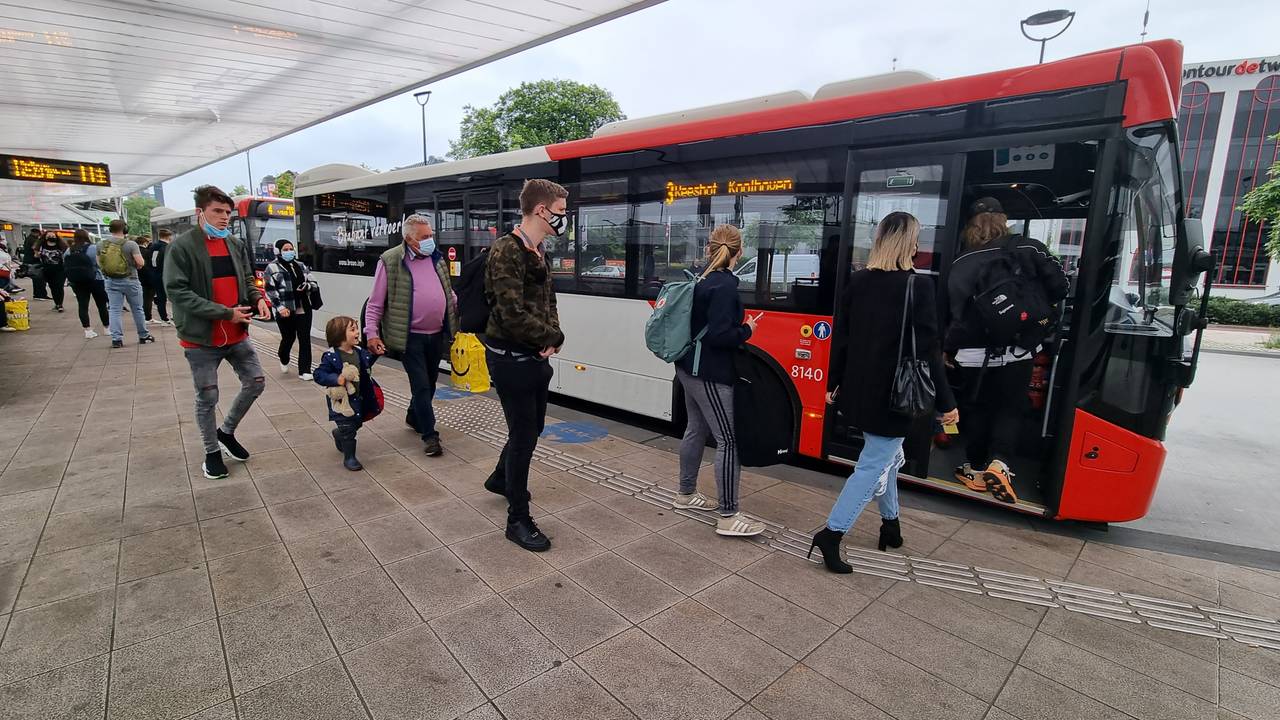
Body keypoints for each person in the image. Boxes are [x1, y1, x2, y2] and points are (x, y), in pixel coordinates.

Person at [811, 212, 958, 573]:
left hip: (860, 390)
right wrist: (947, 403)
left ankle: (891, 525)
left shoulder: (858, 281)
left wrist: (834, 383)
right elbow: (928, 350)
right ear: (910, 243)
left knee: (887, 456)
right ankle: (831, 534)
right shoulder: (918, 286)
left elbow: (842, 339)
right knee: (873, 465)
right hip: (895, 395)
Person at [944, 197, 1069, 504]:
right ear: (1003, 219)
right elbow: (1061, 286)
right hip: (1018, 349)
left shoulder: (959, 262)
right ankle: (1000, 463)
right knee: (1010, 408)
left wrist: (946, 349)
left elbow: (953, 311)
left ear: (971, 226)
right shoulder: (1028, 247)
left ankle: (974, 468)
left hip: (971, 354)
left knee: (977, 409)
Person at [480, 179, 568, 552]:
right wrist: (551, 337)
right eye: (561, 212)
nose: (564, 219)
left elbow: (548, 299)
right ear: (540, 210)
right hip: (509, 360)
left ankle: (502, 478)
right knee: (523, 436)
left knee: (531, 429)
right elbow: (509, 312)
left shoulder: (538, 250)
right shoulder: (507, 250)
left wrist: (553, 334)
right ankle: (517, 519)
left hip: (533, 356)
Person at [164, 185, 271, 480]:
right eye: (218, 212)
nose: (225, 217)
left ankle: (226, 432)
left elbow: (247, 280)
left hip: (236, 333)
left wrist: (259, 299)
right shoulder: (182, 247)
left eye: (228, 212)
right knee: (207, 397)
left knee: (256, 382)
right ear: (201, 212)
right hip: (201, 339)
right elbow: (178, 292)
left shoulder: (234, 245)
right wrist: (225, 312)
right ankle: (211, 452)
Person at [668, 224, 766, 537]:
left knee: (695, 428)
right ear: (739, 252)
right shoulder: (724, 286)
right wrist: (748, 329)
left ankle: (685, 494)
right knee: (727, 440)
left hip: (687, 368)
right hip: (710, 372)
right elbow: (721, 336)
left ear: (710, 248)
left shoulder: (703, 278)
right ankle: (728, 515)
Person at [363, 214, 457, 457]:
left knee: (431, 383)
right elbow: (375, 303)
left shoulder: (436, 258)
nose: (430, 241)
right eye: (425, 237)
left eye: (431, 236)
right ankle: (430, 436)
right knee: (422, 386)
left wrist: (456, 314)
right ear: (410, 239)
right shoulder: (391, 260)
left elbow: (448, 293)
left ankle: (414, 416)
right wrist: (371, 333)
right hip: (409, 337)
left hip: (436, 334)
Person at [314, 316, 377, 471]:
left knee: (357, 422)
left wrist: (376, 354)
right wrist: (336, 378)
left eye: (356, 328)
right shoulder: (331, 356)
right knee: (349, 429)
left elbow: (366, 364)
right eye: (353, 329)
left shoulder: (359, 351)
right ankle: (350, 457)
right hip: (342, 402)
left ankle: (338, 433)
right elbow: (319, 374)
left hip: (360, 397)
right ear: (339, 335)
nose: (357, 332)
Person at [264, 239, 318, 380]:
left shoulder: (301, 265)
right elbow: (270, 290)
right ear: (278, 252)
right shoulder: (272, 268)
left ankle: (305, 370)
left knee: (304, 338)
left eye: (290, 249)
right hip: (285, 309)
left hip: (303, 307)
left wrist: (307, 286)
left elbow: (313, 282)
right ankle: (283, 357)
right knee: (288, 338)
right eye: (285, 249)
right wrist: (280, 307)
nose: (289, 252)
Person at [98, 221, 154, 348]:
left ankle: (116, 339)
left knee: (114, 310)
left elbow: (99, 263)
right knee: (137, 309)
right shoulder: (130, 244)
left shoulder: (101, 244)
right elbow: (140, 263)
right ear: (125, 229)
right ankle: (143, 335)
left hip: (111, 281)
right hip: (131, 279)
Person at [64, 229, 110, 339]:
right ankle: (106, 328)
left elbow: (65, 263)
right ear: (86, 237)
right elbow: (100, 263)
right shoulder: (93, 248)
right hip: (96, 279)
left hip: (77, 281)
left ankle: (87, 330)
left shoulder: (69, 250)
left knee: (83, 305)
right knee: (101, 305)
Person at [140, 233, 170, 325]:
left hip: (152, 274)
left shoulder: (153, 247)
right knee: (163, 298)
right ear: (168, 237)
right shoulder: (166, 247)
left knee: (151, 297)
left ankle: (155, 317)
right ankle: (164, 319)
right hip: (162, 275)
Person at [38, 231, 67, 313]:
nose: (51, 236)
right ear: (45, 237)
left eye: (53, 235)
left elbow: (66, 255)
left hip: (60, 270)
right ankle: (56, 303)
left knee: (59, 286)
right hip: (47, 270)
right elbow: (36, 255)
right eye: (49, 235)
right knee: (52, 287)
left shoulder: (61, 245)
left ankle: (60, 304)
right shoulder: (42, 245)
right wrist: (38, 254)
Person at [22, 229, 49, 300]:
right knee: (39, 279)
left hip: (30, 261)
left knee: (36, 279)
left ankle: (37, 294)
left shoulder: (28, 238)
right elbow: (36, 249)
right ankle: (40, 295)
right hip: (34, 262)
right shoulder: (33, 240)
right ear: (36, 233)